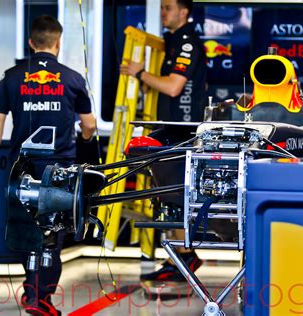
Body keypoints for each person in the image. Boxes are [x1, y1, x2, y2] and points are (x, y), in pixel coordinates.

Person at [0, 15, 96, 315]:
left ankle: (31, 292)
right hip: (59, 170)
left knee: (25, 229)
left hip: (23, 169)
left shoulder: (12, 76)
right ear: (58, 42)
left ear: (31, 43)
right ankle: (40, 298)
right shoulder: (73, 78)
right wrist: (83, 139)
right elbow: (90, 125)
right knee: (53, 234)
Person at [120, 0, 206, 282]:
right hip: (171, 130)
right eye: (162, 7)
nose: (163, 12)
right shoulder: (171, 41)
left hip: (182, 132)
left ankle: (184, 257)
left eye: (168, 7)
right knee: (170, 196)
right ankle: (181, 256)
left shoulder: (187, 43)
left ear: (184, 11)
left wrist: (140, 73)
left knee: (176, 196)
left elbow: (173, 86)